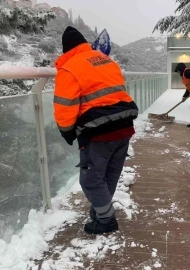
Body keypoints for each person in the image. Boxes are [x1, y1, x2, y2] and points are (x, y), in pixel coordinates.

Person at [53, 26, 139, 234]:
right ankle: (101, 211)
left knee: (91, 181)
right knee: (109, 174)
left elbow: (65, 108)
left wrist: (67, 133)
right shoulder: (107, 60)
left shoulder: (69, 68)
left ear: (66, 49)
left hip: (100, 133)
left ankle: (106, 220)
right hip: (124, 127)